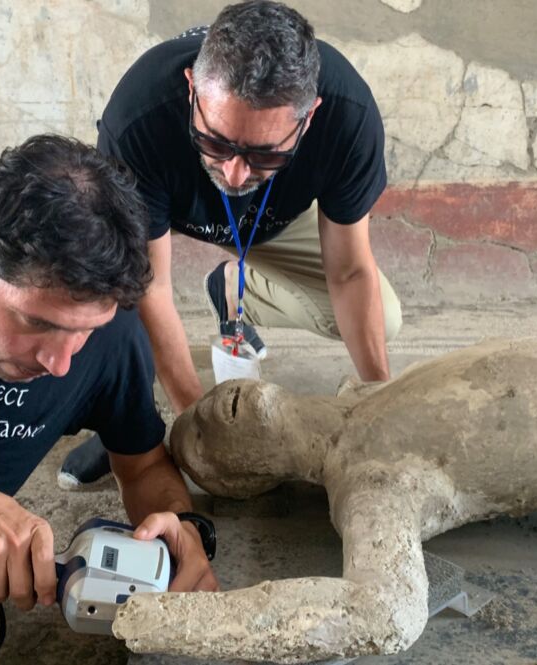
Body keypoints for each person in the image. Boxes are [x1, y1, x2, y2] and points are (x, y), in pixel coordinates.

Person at [0, 134, 217, 629]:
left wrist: (180, 526)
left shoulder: (113, 345)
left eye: (84, 331)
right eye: (38, 323)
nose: (60, 363)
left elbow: (142, 468)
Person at [60, 0, 402, 487]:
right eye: (217, 143)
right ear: (192, 90)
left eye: (265, 153)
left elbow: (348, 272)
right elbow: (149, 288)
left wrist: (378, 406)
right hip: (165, 206)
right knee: (104, 298)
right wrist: (199, 430)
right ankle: (129, 424)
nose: (236, 172)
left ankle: (234, 288)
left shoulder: (349, 117)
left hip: (272, 221)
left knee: (383, 320)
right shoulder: (140, 117)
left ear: (309, 118)